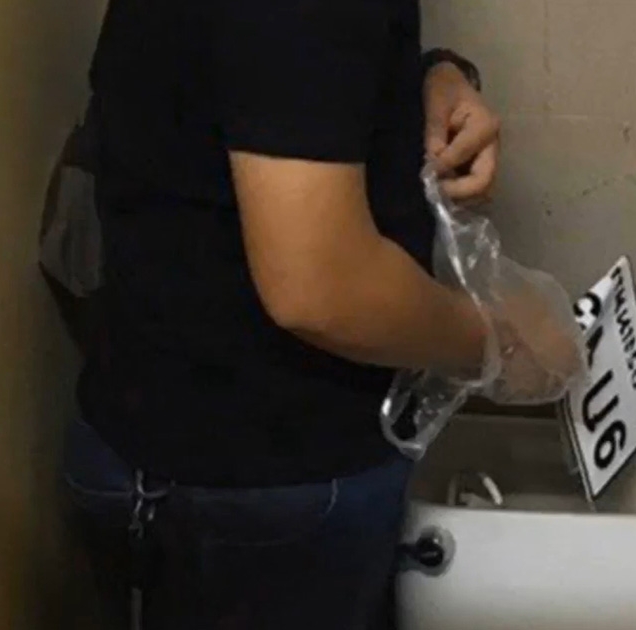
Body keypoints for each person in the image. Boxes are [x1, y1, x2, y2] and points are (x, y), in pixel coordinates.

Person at [59, 0, 578, 627]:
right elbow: (320, 289)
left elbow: (250, 82)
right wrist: (498, 343)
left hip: (206, 447)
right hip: (257, 489)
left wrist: (430, 78)